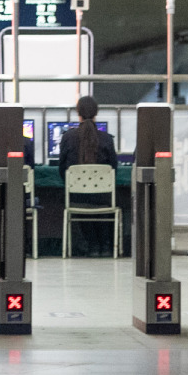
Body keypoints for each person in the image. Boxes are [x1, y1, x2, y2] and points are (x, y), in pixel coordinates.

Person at [58, 96, 119, 257]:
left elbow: (62, 168)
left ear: (77, 112)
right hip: (103, 197)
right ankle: (105, 246)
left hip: (77, 196)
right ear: (96, 113)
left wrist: (73, 182)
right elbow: (114, 169)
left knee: (83, 201)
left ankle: (91, 245)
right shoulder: (107, 139)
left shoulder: (68, 137)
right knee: (101, 202)